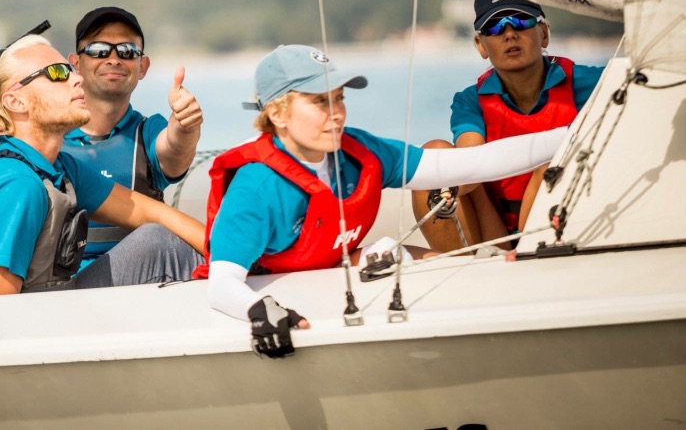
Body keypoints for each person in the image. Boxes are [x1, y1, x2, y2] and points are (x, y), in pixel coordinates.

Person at [197, 44, 569, 358]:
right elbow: (222, 285)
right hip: (271, 289)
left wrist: (569, 134)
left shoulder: (360, 153)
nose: (337, 113)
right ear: (277, 113)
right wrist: (258, 311)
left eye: (340, 98)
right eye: (320, 102)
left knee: (452, 269)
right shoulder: (256, 187)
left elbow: (471, 163)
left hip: (333, 270)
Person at [0, 34, 204, 299]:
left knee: (160, 238)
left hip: (46, 307)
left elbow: (152, 212)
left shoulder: (57, 166)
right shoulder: (17, 184)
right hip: (21, 323)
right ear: (15, 101)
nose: (78, 78)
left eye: (71, 70)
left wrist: (227, 255)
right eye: (57, 73)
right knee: (164, 247)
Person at [412, 0, 604, 251]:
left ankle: (530, 252)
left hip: (565, 221)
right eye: (494, 27)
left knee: (554, 161)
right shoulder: (470, 101)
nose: (509, 33)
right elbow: (470, 163)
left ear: (544, 33)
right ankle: (463, 265)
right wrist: (442, 184)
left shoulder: (595, 82)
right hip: (494, 231)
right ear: (480, 45)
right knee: (434, 155)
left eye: (521, 21)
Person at [61, 6, 203, 264]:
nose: (113, 59)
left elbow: (174, 148)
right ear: (76, 63)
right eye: (98, 49)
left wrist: (185, 125)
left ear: (142, 66)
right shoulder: (51, 135)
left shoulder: (147, 132)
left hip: (141, 278)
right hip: (65, 280)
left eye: (127, 51)